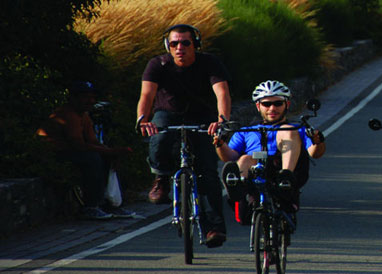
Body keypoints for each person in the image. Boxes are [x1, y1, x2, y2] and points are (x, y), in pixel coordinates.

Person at [136, 23, 230, 248]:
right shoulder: (157, 64)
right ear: (168, 45)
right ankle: (161, 177)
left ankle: (214, 228)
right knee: (159, 138)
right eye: (174, 43)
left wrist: (222, 120)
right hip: (167, 114)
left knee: (207, 172)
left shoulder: (210, 63)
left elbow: (222, 92)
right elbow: (147, 95)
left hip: (202, 117)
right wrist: (142, 119)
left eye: (185, 43)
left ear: (195, 45)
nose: (179, 48)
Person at [210, 80, 325, 220]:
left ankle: (285, 178)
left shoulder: (296, 130)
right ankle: (239, 190)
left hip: (283, 169)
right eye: (266, 104)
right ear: (258, 106)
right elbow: (229, 157)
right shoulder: (245, 132)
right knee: (244, 159)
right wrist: (220, 145)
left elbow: (315, 153)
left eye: (278, 103)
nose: (272, 108)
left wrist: (317, 141)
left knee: (287, 130)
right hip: (255, 170)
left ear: (287, 105)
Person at [37, 81, 134, 220]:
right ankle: (91, 206)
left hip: (74, 151)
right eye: (85, 97)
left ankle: (110, 204)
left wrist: (113, 152)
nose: (90, 101)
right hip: (56, 155)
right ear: (74, 98)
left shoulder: (84, 115)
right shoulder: (68, 115)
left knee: (109, 158)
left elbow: (92, 141)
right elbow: (79, 145)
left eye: (92, 97)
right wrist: (110, 152)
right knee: (93, 159)